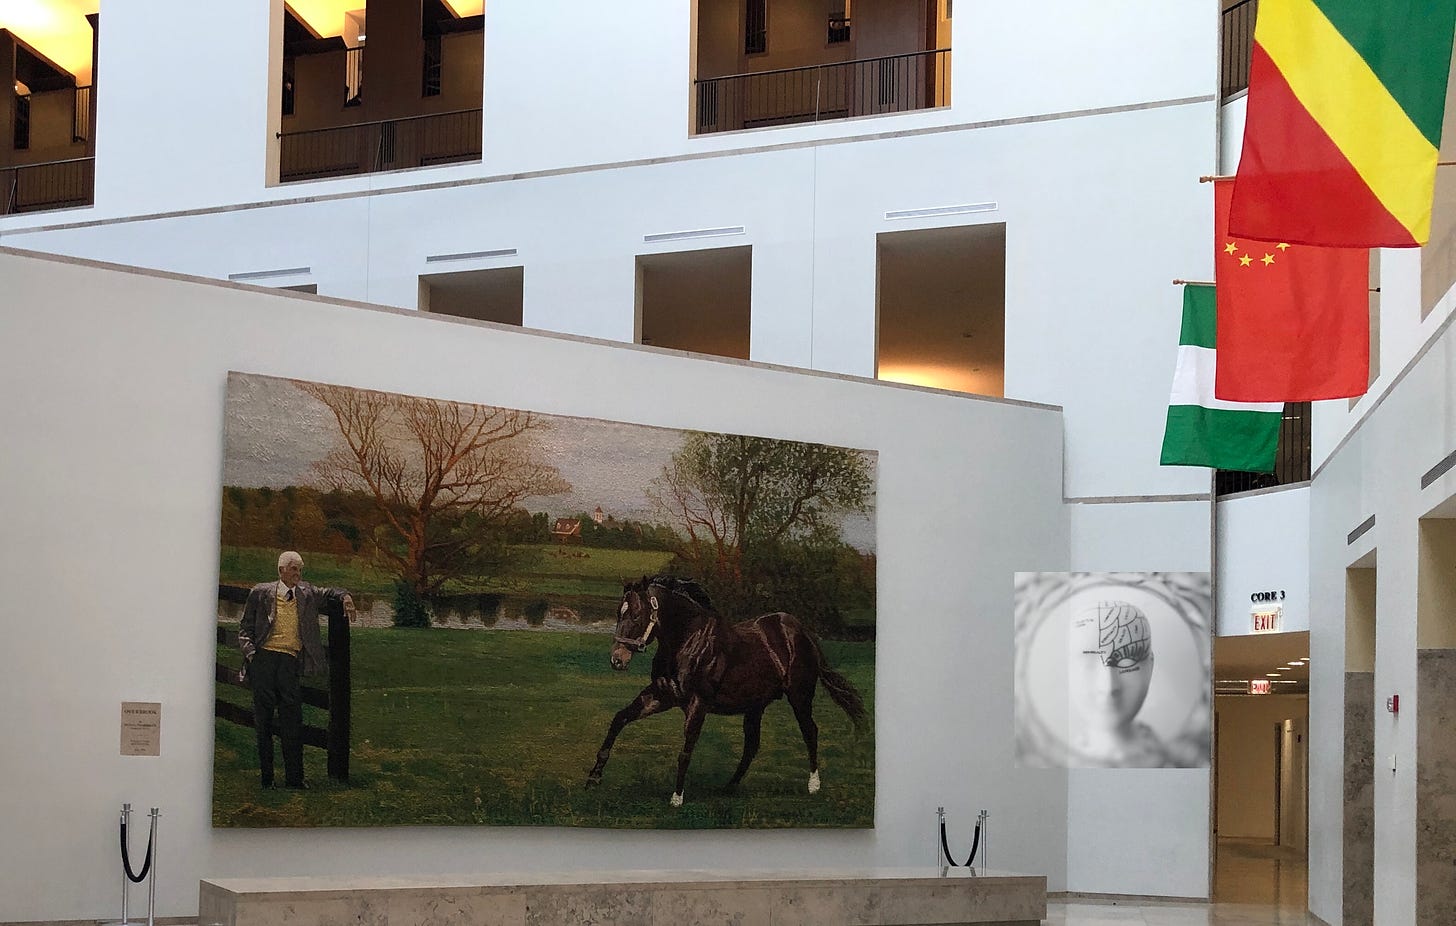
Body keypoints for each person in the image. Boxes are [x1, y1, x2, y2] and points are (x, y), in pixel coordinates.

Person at [238, 551, 356, 788]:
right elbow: (245, 629)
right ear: (281, 570)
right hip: (264, 660)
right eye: (294, 570)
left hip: (289, 662)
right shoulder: (261, 592)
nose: (298, 575)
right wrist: (252, 655)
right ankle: (267, 779)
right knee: (264, 722)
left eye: (300, 571)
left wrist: (346, 597)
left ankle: (294, 779)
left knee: (292, 721)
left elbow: (330, 592)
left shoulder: (306, 593)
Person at [1067, 599, 1175, 768]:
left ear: (1151, 666)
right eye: (1087, 662)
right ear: (1068, 668)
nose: (1108, 687)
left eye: (1128, 661)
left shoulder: (1171, 755)